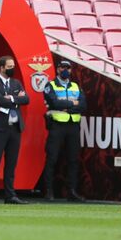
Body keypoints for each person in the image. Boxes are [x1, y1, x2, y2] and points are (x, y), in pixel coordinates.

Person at [0, 56, 29, 204]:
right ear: (2, 67)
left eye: (13, 66)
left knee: (11, 162)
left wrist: (12, 98)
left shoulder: (16, 82)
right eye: (9, 66)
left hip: (15, 127)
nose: (12, 69)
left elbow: (26, 99)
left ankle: (10, 195)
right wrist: (16, 99)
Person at [41, 60, 87, 202]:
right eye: (62, 67)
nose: (65, 70)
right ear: (58, 69)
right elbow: (54, 103)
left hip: (73, 126)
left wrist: (67, 107)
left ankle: (72, 192)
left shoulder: (75, 86)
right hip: (57, 125)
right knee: (52, 158)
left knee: (73, 160)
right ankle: (48, 191)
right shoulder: (51, 85)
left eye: (68, 67)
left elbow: (83, 105)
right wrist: (72, 103)